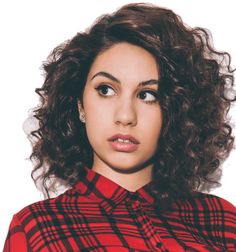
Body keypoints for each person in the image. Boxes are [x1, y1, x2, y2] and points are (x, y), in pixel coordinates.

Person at [3, 2, 236, 251]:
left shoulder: (221, 221)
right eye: (106, 90)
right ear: (80, 105)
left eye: (148, 95)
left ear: (174, 111)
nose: (125, 116)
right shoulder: (37, 227)